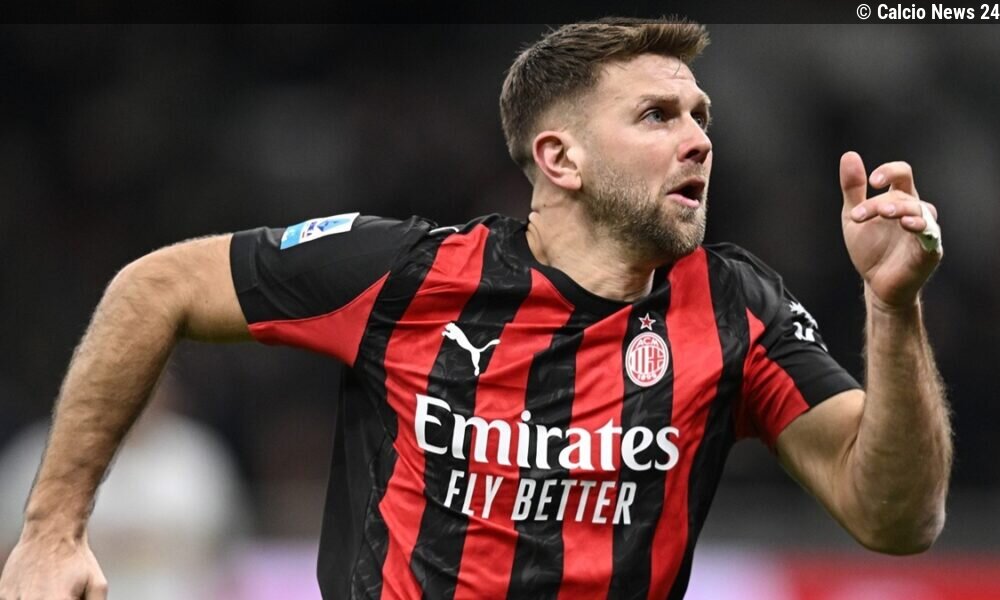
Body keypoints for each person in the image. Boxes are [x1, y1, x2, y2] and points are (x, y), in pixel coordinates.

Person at [0, 18, 951, 600]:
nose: (699, 138)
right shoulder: (408, 276)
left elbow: (896, 518)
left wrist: (893, 307)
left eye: (702, 115)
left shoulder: (736, 307)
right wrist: (51, 532)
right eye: (658, 116)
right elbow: (157, 285)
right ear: (560, 159)